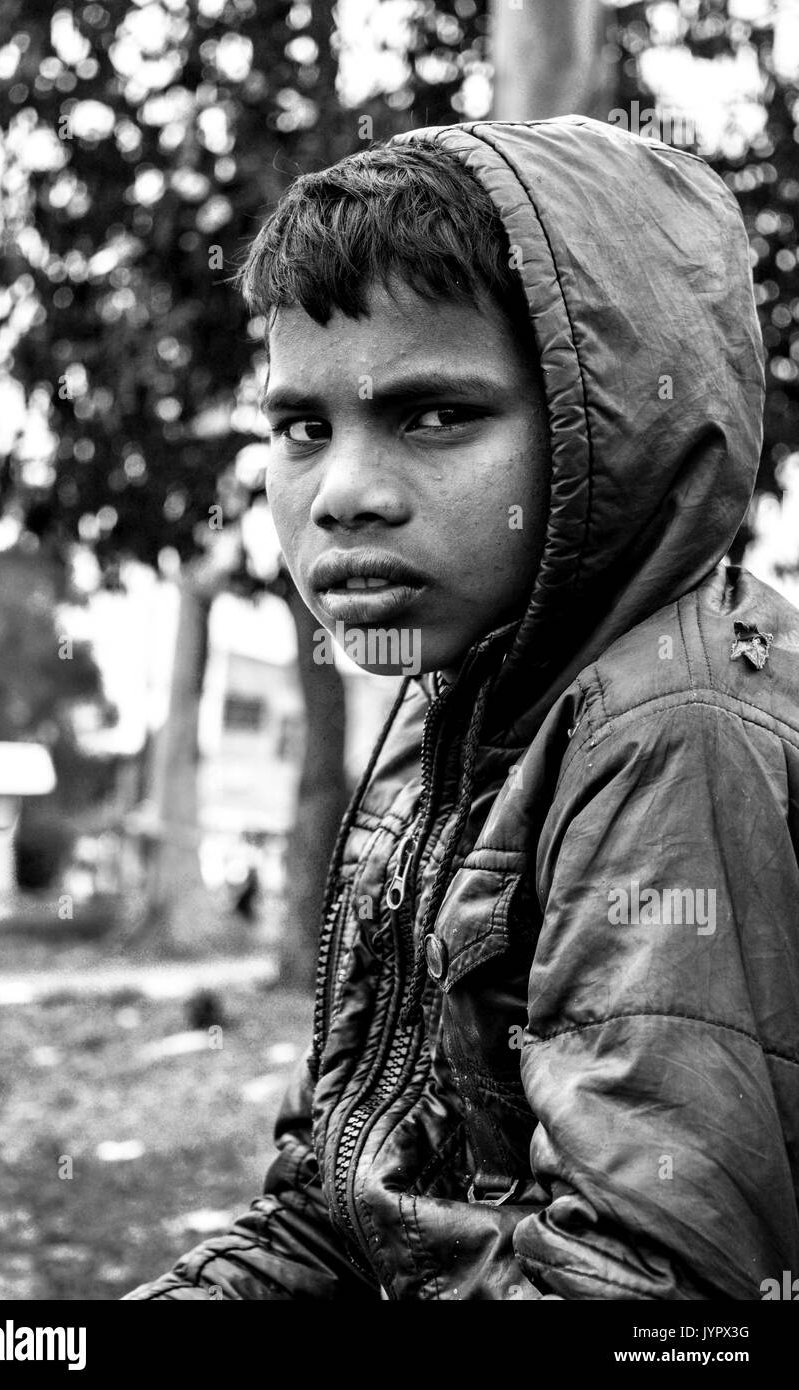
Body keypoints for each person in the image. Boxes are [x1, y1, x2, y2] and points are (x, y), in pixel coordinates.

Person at [125, 116, 799, 1300]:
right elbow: (339, 1206)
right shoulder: (457, 697)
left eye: (434, 415)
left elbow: (649, 1298)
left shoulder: (673, 727)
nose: (342, 495)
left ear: (608, 427)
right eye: (300, 428)